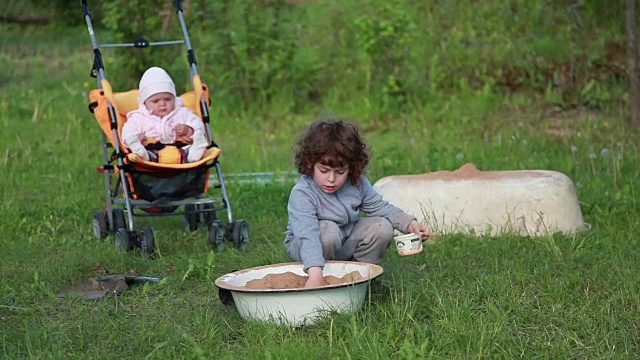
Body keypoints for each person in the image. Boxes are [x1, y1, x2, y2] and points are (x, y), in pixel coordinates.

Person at [284, 119, 431, 289]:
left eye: (340, 172)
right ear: (310, 164)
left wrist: (409, 223)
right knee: (328, 232)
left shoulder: (357, 183)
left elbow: (380, 207)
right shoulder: (302, 193)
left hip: (344, 237)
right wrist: (315, 275)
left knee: (381, 226)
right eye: (324, 171)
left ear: (351, 167)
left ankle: (360, 278)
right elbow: (307, 235)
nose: (331, 179)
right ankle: (321, 276)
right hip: (308, 245)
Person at [122, 66, 209, 163]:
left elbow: (198, 124)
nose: (162, 104)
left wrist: (189, 130)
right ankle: (139, 150)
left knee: (188, 150)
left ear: (174, 98)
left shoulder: (182, 112)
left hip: (179, 150)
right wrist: (136, 137)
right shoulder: (139, 117)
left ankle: (194, 153)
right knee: (145, 154)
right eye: (156, 101)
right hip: (152, 151)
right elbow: (128, 131)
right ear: (144, 102)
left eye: (168, 99)